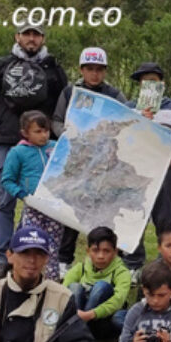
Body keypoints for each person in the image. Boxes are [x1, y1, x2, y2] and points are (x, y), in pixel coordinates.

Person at [0, 22, 68, 282]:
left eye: (36, 34)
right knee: (5, 199)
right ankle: (2, 256)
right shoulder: (2, 65)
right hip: (7, 140)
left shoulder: (53, 67)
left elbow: (64, 103)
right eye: (26, 34)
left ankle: (41, 255)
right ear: (17, 36)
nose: (31, 39)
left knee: (45, 202)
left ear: (42, 38)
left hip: (45, 145)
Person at [51, 47, 127, 271]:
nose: (95, 74)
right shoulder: (69, 93)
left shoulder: (115, 95)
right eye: (90, 69)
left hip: (105, 162)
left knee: (107, 210)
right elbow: (56, 120)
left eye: (99, 69)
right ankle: (65, 260)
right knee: (73, 207)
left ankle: (111, 258)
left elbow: (125, 120)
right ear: (81, 69)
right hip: (77, 159)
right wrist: (67, 134)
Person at [122, 62, 171, 270]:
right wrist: (141, 121)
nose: (149, 85)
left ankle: (166, 263)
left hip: (166, 171)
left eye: (154, 81)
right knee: (132, 217)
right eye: (144, 81)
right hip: (136, 171)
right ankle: (132, 264)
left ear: (162, 84)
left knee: (166, 220)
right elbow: (122, 139)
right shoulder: (129, 108)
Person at [0, 110, 62, 282]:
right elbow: (7, 179)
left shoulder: (56, 147)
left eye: (46, 131)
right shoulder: (18, 152)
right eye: (38, 131)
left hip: (55, 208)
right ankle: (24, 278)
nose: (43, 135)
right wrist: (24, 195)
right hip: (33, 208)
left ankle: (51, 282)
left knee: (52, 245)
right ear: (25, 133)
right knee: (30, 243)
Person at [115, 222, 171, 325]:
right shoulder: (151, 268)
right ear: (159, 248)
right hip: (149, 312)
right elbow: (141, 299)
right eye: (169, 246)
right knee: (119, 316)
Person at [61, 227, 132, 336]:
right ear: (88, 251)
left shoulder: (122, 272)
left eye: (106, 251)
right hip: (79, 315)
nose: (101, 256)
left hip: (102, 320)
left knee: (101, 286)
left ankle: (78, 329)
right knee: (74, 287)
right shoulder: (81, 267)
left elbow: (118, 300)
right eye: (95, 250)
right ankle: (78, 329)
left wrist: (91, 314)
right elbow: (63, 290)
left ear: (115, 252)